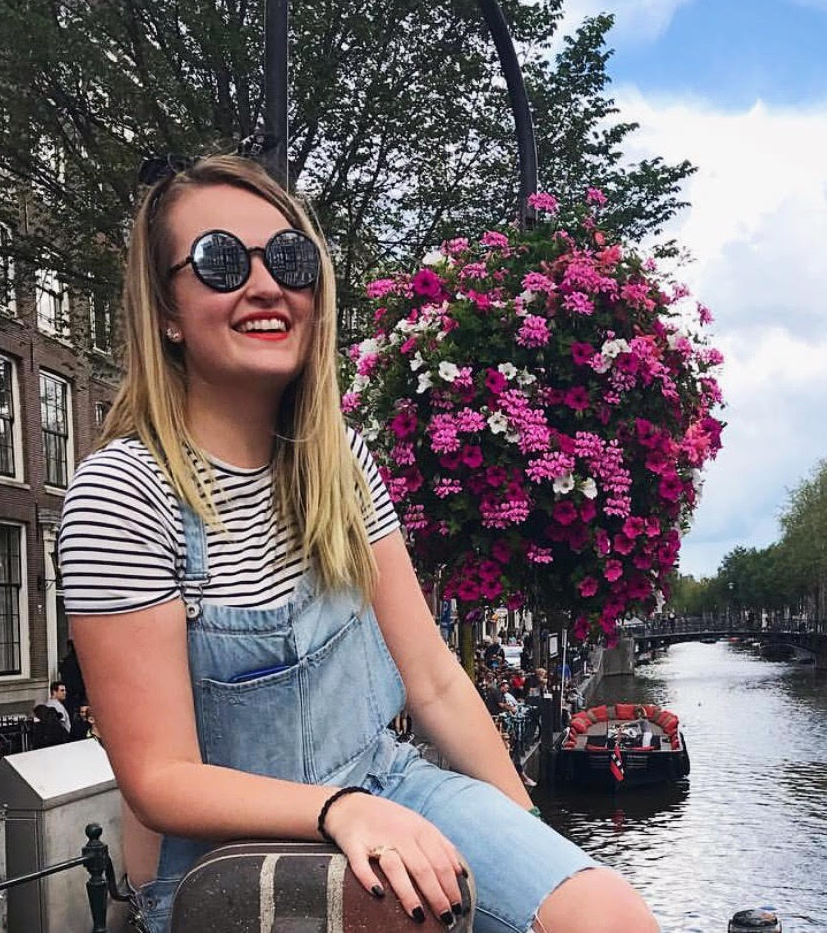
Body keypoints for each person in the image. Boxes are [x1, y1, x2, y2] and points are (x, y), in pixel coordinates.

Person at [58, 155, 655, 933]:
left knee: (606, 912)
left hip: (382, 784)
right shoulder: (124, 494)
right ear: (167, 310)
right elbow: (159, 778)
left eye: (292, 259)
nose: (266, 285)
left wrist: (529, 839)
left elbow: (433, 678)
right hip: (228, 859)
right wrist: (339, 812)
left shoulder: (334, 457)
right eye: (220, 262)